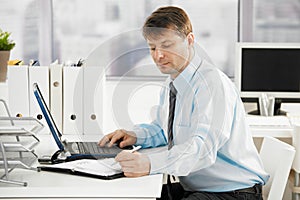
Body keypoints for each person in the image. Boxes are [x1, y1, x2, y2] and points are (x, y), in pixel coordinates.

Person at [99, 6, 269, 200]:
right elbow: (165, 130)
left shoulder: (211, 84)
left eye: (166, 45)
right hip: (199, 189)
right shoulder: (174, 81)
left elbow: (203, 149)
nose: (158, 56)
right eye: (152, 47)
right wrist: (135, 136)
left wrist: (149, 164)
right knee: (127, 196)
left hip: (233, 193)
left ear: (189, 40)